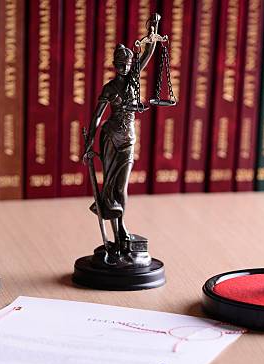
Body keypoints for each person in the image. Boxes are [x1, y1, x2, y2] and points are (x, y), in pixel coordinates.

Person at [83, 14, 160, 252]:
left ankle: (122, 226)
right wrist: (89, 142)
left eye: (126, 65)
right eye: (120, 65)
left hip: (127, 139)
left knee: (121, 186)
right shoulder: (109, 87)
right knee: (109, 184)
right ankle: (117, 235)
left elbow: (147, 55)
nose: (123, 69)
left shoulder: (133, 80)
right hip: (110, 138)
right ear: (115, 65)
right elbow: (97, 115)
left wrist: (154, 32)